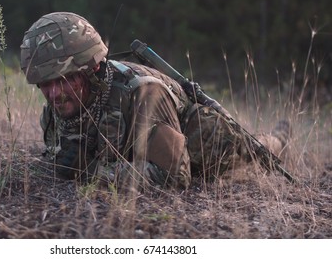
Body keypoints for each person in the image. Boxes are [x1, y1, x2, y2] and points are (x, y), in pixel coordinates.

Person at [20, 12, 290, 190]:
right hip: (139, 146)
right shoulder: (63, 104)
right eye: (45, 84)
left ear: (91, 70)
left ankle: (279, 139)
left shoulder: (142, 94)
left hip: (199, 139)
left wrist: (91, 172)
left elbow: (174, 177)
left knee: (253, 149)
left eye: (65, 80)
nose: (55, 94)